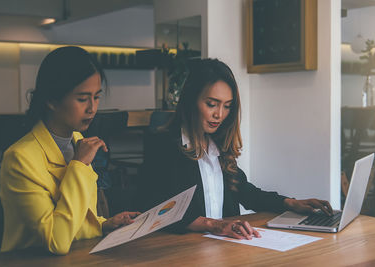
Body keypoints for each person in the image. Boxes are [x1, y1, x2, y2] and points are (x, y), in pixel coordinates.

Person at [137, 58, 332, 240]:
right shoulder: (163, 145)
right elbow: (155, 207)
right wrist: (214, 225)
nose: (219, 115)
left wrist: (291, 203)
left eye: (227, 106)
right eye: (211, 104)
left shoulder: (217, 146)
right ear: (191, 100)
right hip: (182, 250)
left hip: (224, 247)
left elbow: (245, 191)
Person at [0, 46, 140, 255]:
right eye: (82, 99)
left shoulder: (77, 140)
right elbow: (56, 240)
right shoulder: (20, 158)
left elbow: (74, 216)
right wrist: (79, 165)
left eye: (97, 96)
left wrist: (102, 224)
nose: (92, 108)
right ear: (51, 100)